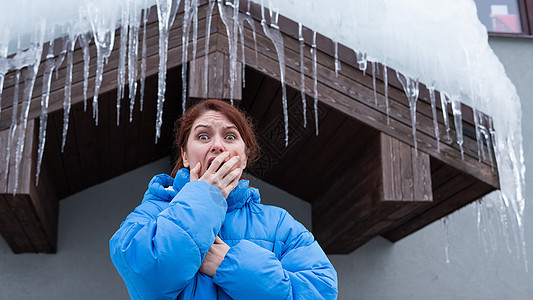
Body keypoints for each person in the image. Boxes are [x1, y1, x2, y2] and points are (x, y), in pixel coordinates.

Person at [109, 99, 338, 299]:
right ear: (185, 156)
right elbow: (147, 271)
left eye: (230, 136)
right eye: (203, 136)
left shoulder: (279, 224)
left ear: (245, 158)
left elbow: (321, 290)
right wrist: (205, 196)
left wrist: (228, 265)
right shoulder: (151, 212)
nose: (217, 146)